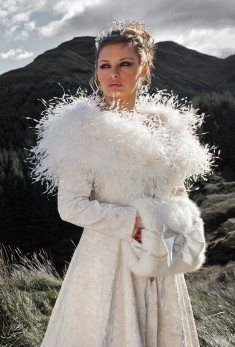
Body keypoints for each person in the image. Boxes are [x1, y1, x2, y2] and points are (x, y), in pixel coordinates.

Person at [26, 19, 216, 347]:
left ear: (143, 69)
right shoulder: (84, 129)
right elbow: (71, 205)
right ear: (97, 71)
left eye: (125, 64)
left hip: (160, 262)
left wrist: (173, 226)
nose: (114, 74)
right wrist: (137, 223)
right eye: (105, 65)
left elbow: (177, 194)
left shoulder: (165, 126)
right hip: (107, 264)